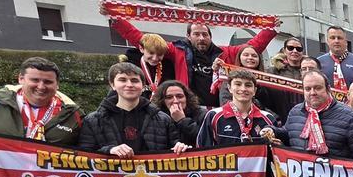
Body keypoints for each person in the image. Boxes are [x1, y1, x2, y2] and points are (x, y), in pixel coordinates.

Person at [110, 17, 278, 108]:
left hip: (221, 108)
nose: (201, 38)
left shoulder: (225, 52)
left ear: (210, 37)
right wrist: (116, 19)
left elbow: (252, 47)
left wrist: (271, 29)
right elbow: (145, 41)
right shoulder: (178, 50)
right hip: (190, 108)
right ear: (188, 36)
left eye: (205, 34)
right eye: (196, 34)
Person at [120, 32, 185, 101]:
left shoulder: (168, 67)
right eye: (151, 53)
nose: (155, 58)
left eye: (159, 54)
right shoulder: (129, 66)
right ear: (141, 49)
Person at [216, 45, 275, 111]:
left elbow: (272, 104)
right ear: (240, 58)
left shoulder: (268, 80)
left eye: (254, 56)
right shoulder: (230, 78)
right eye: (246, 55)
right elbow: (225, 101)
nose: (250, 58)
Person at [153, 80, 206, 146]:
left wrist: (182, 120)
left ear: (187, 98)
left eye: (180, 96)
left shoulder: (201, 114)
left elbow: (204, 139)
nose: (175, 101)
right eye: (169, 97)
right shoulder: (156, 117)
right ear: (162, 101)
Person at [267, 37, 308, 121]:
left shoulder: (309, 69)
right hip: (281, 119)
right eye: (290, 48)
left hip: (306, 117)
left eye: (299, 49)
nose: (295, 51)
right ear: (285, 51)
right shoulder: (273, 71)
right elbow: (265, 97)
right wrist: (274, 117)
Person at [317, 26, 353, 93]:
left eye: (339, 38)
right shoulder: (318, 63)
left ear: (346, 41)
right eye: (332, 38)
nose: (336, 41)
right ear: (327, 41)